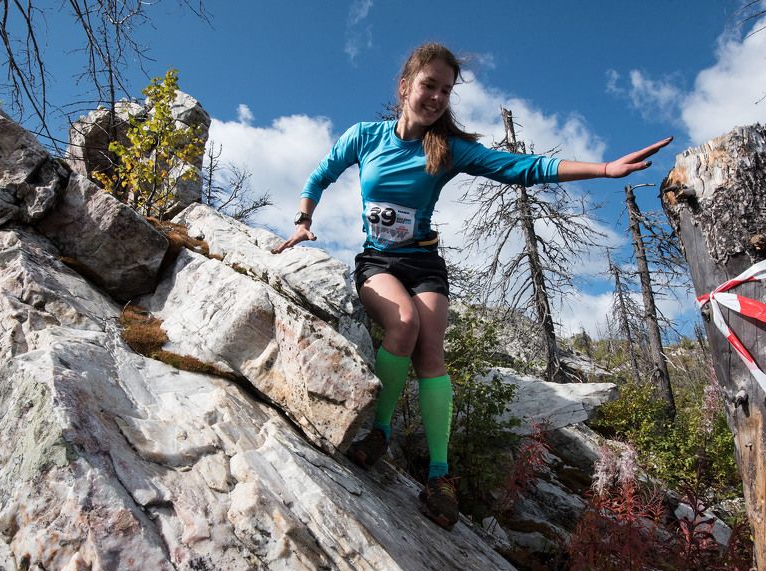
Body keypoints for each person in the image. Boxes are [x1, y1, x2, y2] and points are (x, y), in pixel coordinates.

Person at [272, 42, 671, 530]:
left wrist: (604, 169)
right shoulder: (364, 137)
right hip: (378, 261)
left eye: (446, 90)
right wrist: (302, 220)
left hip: (423, 263)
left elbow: (523, 169)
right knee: (402, 323)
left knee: (431, 350)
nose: (437, 97)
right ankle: (379, 433)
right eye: (429, 86)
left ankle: (440, 476)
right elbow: (320, 175)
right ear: (404, 87)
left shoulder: (449, 150)